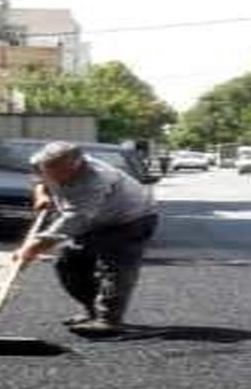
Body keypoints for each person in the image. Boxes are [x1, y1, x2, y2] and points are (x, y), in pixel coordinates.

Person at [15, 141, 158, 335]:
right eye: (49, 170)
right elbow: (39, 179)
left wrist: (33, 248)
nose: (54, 176)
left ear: (77, 164)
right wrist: (41, 194)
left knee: (115, 268)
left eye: (60, 172)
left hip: (130, 219)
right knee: (68, 264)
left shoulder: (95, 179)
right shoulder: (42, 163)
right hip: (93, 219)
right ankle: (93, 311)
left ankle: (108, 320)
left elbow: (75, 218)